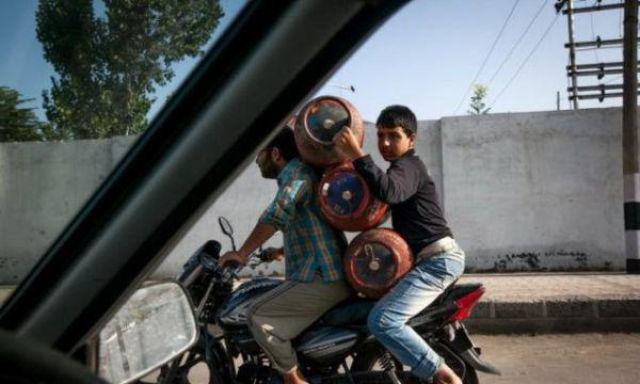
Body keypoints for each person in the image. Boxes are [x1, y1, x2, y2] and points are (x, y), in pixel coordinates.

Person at [333, 105, 465, 384]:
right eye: (380, 136)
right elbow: (376, 211)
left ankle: (443, 375)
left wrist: (357, 154)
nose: (385, 143)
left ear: (411, 140)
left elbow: (389, 191)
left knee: (382, 320)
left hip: (438, 262)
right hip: (430, 260)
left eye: (393, 136)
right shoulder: (399, 171)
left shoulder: (409, 167)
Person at [220, 126, 351, 384]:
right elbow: (311, 227)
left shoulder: (298, 175)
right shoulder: (301, 176)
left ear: (276, 154)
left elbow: (278, 213)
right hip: (319, 272)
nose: (257, 161)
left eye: (260, 154)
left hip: (323, 278)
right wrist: (278, 252)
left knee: (258, 316)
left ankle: (294, 380)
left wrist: (242, 253)